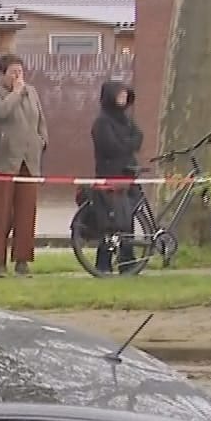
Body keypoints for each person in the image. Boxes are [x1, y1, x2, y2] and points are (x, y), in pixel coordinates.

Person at [0, 54, 48, 277]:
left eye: (20, 72)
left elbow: (40, 120)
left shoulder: (32, 92)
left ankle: (22, 260)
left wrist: (41, 140)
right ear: (3, 74)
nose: (18, 76)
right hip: (3, 160)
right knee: (2, 214)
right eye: (13, 72)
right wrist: (16, 93)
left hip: (29, 160)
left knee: (26, 212)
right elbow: (0, 112)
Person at [89, 80, 143, 275]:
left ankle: (127, 261)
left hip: (128, 174)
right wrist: (127, 144)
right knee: (111, 222)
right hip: (111, 176)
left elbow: (138, 137)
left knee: (128, 219)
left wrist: (126, 144)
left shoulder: (126, 120)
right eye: (119, 95)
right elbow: (111, 147)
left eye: (125, 95)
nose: (123, 98)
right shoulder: (102, 122)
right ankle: (103, 263)